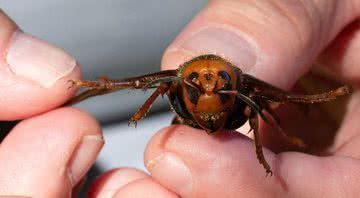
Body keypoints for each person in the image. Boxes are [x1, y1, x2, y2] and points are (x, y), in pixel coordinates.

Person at [0, 0, 359, 197]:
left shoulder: (242, 86)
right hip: (99, 140)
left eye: (218, 82)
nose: (208, 88)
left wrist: (322, 99)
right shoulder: (175, 84)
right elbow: (136, 83)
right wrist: (89, 86)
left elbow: (283, 97)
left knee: (256, 102)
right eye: (200, 83)